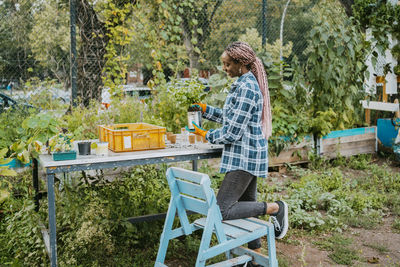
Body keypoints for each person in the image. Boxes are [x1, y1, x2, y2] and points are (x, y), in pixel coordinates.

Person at [187, 41, 288, 256]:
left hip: (245, 156)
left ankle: (275, 207)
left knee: (222, 209)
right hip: (248, 154)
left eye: (227, 64)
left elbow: (232, 132)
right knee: (246, 204)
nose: (224, 69)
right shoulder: (244, 83)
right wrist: (205, 110)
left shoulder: (247, 87)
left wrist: (206, 135)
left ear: (240, 64)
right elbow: (231, 117)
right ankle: (257, 255)